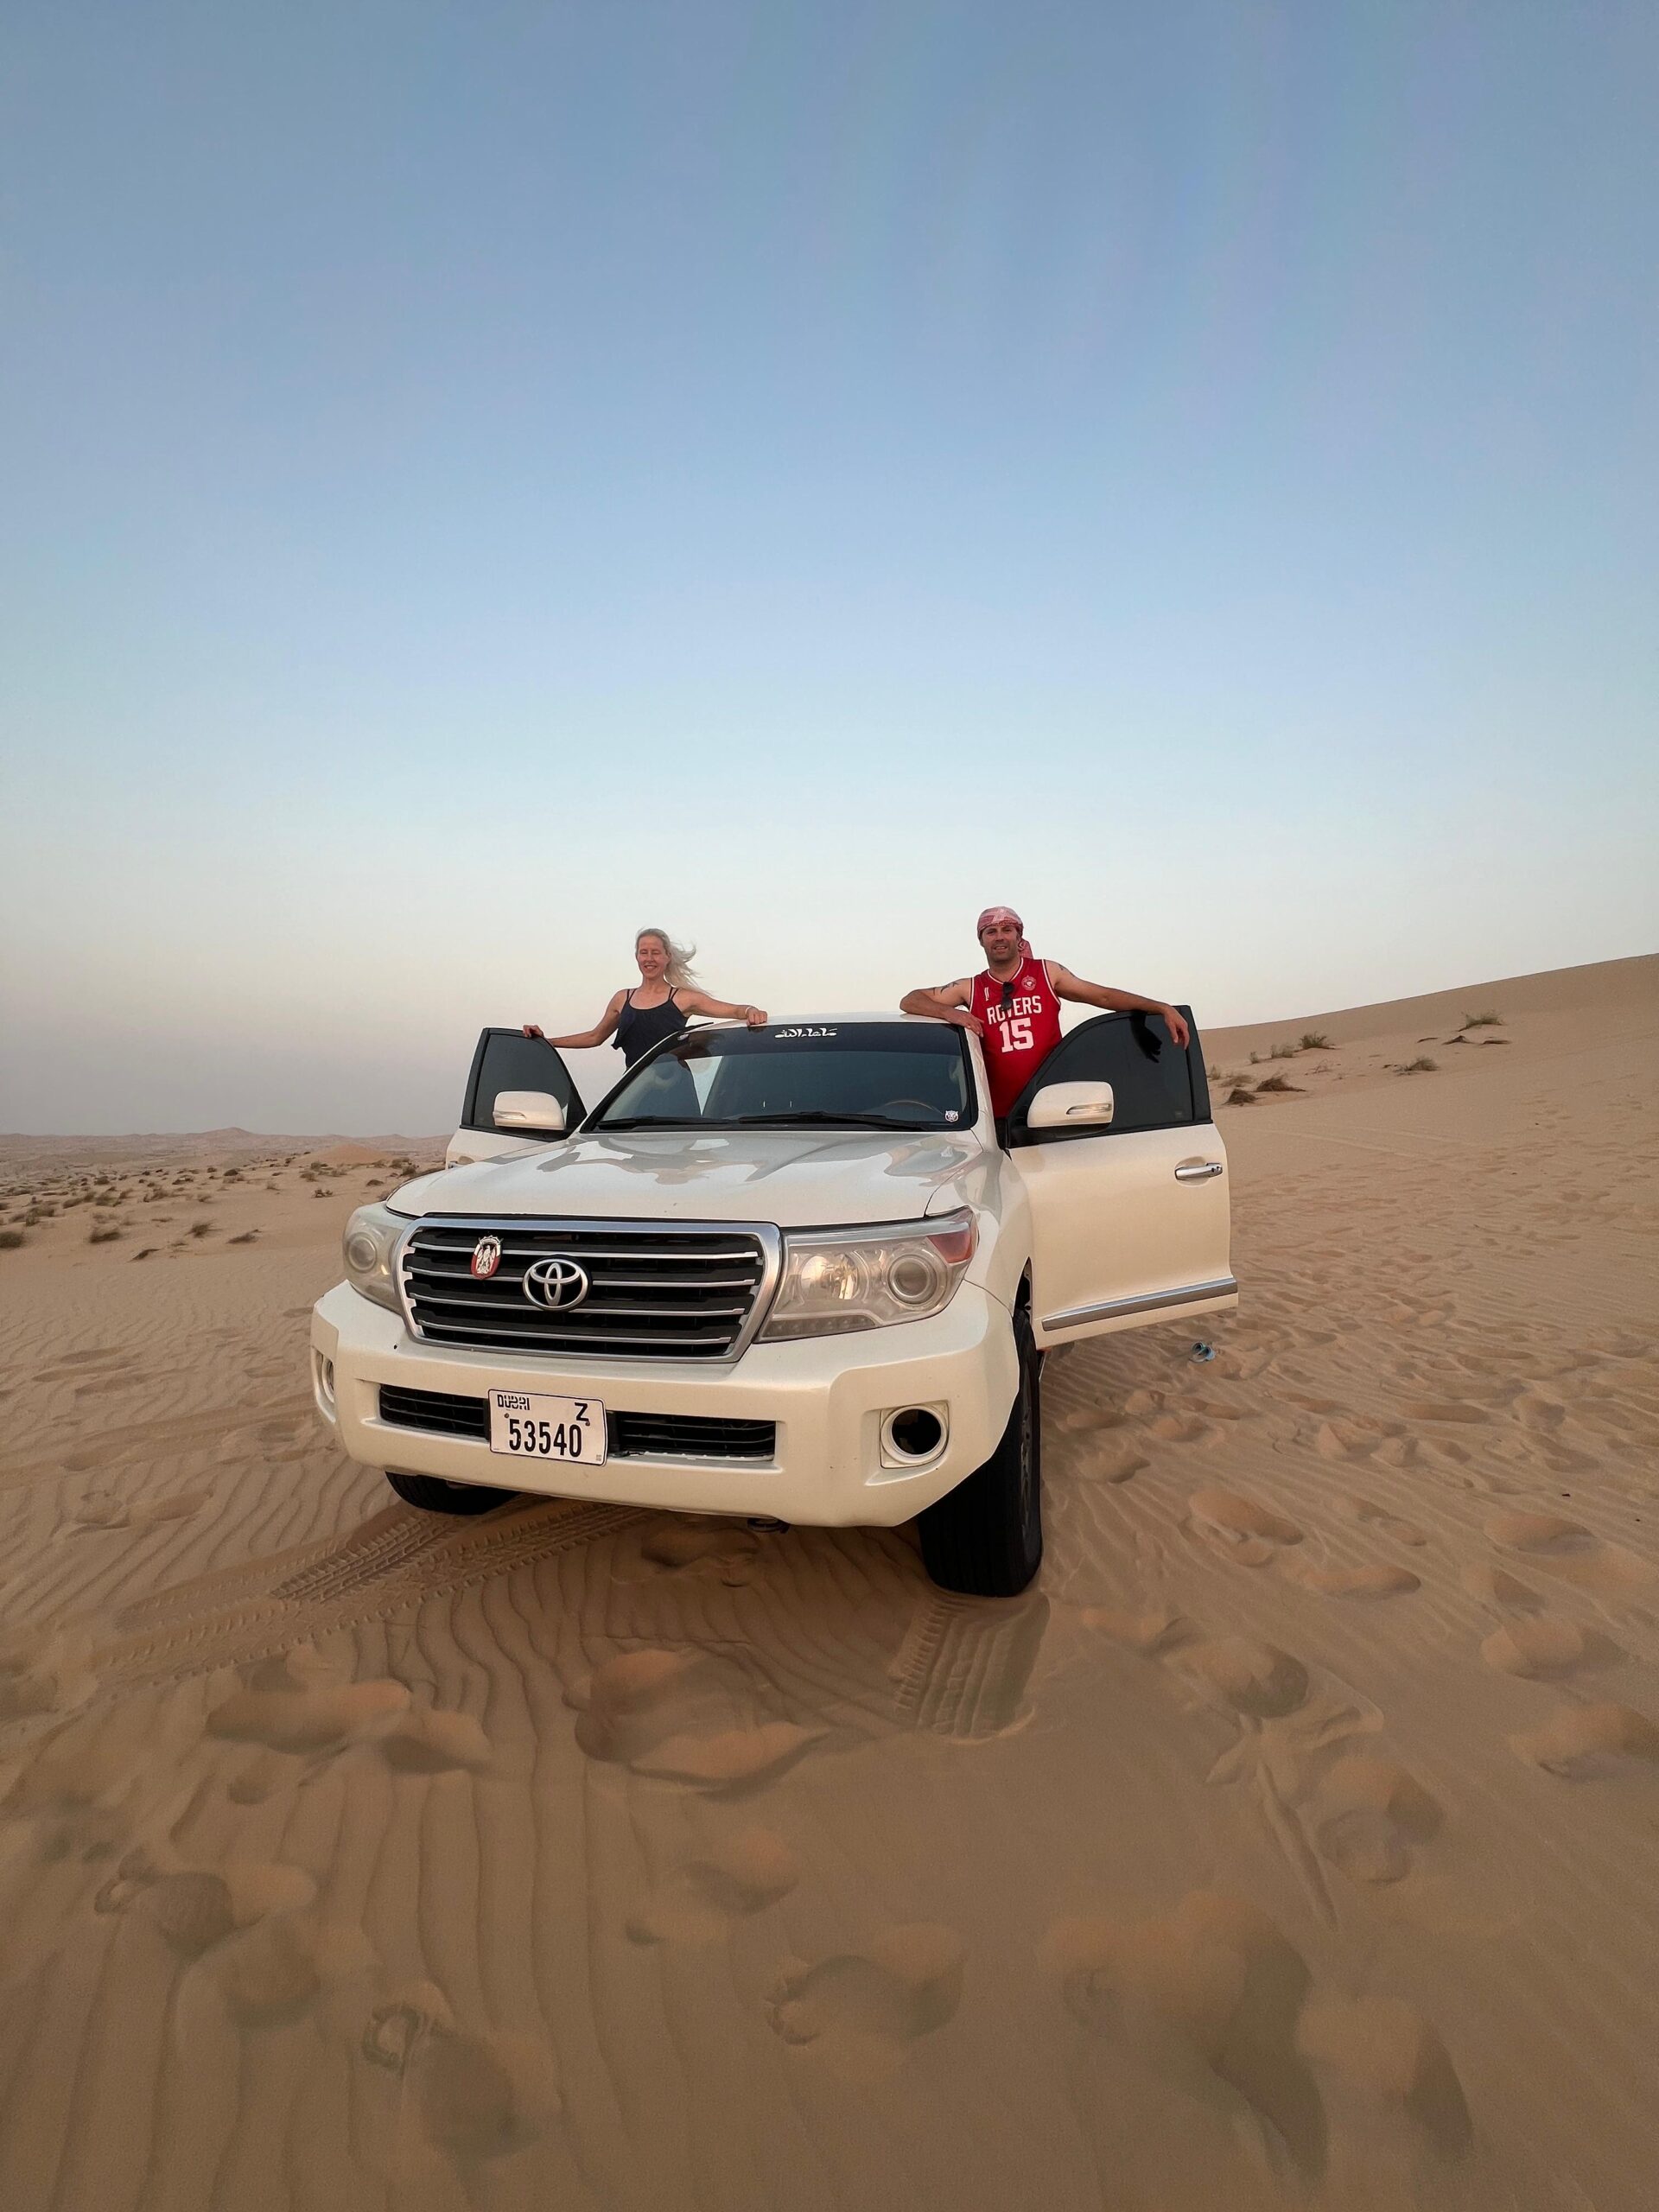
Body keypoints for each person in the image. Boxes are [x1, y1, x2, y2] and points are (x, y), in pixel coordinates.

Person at [899, 906, 1191, 1132]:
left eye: (1007, 929)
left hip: (1053, 1109)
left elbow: (1102, 997)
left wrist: (1159, 1007)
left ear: (1019, 936)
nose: (999, 936)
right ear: (982, 941)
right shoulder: (970, 987)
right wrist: (951, 1013)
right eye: (991, 932)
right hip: (999, 1116)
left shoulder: (1048, 973)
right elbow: (910, 1000)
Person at [524, 927, 768, 1070]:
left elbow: (735, 1011)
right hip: (635, 1091)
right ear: (637, 957)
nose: (649, 958)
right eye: (644, 952)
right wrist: (547, 1042)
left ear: (667, 957)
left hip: (675, 1086)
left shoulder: (682, 998)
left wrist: (751, 1010)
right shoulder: (622, 999)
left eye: (655, 952)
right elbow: (594, 1037)